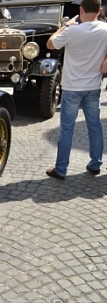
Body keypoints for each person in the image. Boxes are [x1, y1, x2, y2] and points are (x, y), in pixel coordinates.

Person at [45, 0, 107, 179]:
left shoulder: (72, 30)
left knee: (67, 128)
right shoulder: (105, 29)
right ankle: (95, 164)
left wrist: (65, 25)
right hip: (93, 86)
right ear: (99, 10)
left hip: (72, 86)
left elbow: (50, 44)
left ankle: (61, 169)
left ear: (81, 9)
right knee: (94, 126)